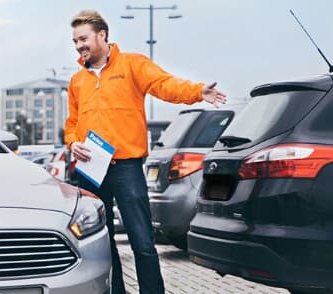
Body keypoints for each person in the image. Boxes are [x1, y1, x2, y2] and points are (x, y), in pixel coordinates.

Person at [64, 10, 227, 294]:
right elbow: (73, 123)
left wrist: (197, 91)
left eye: (83, 38)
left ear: (102, 35)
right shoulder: (78, 81)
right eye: (75, 41)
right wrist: (72, 143)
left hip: (126, 168)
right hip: (91, 170)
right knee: (101, 242)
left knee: (142, 241)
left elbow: (164, 84)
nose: (79, 46)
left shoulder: (132, 65)